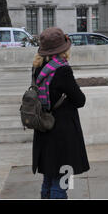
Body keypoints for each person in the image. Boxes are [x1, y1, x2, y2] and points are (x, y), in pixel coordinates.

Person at [32, 27, 89, 199]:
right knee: (62, 182)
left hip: (44, 130)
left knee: (48, 178)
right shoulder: (63, 70)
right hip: (63, 133)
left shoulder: (37, 68)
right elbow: (80, 100)